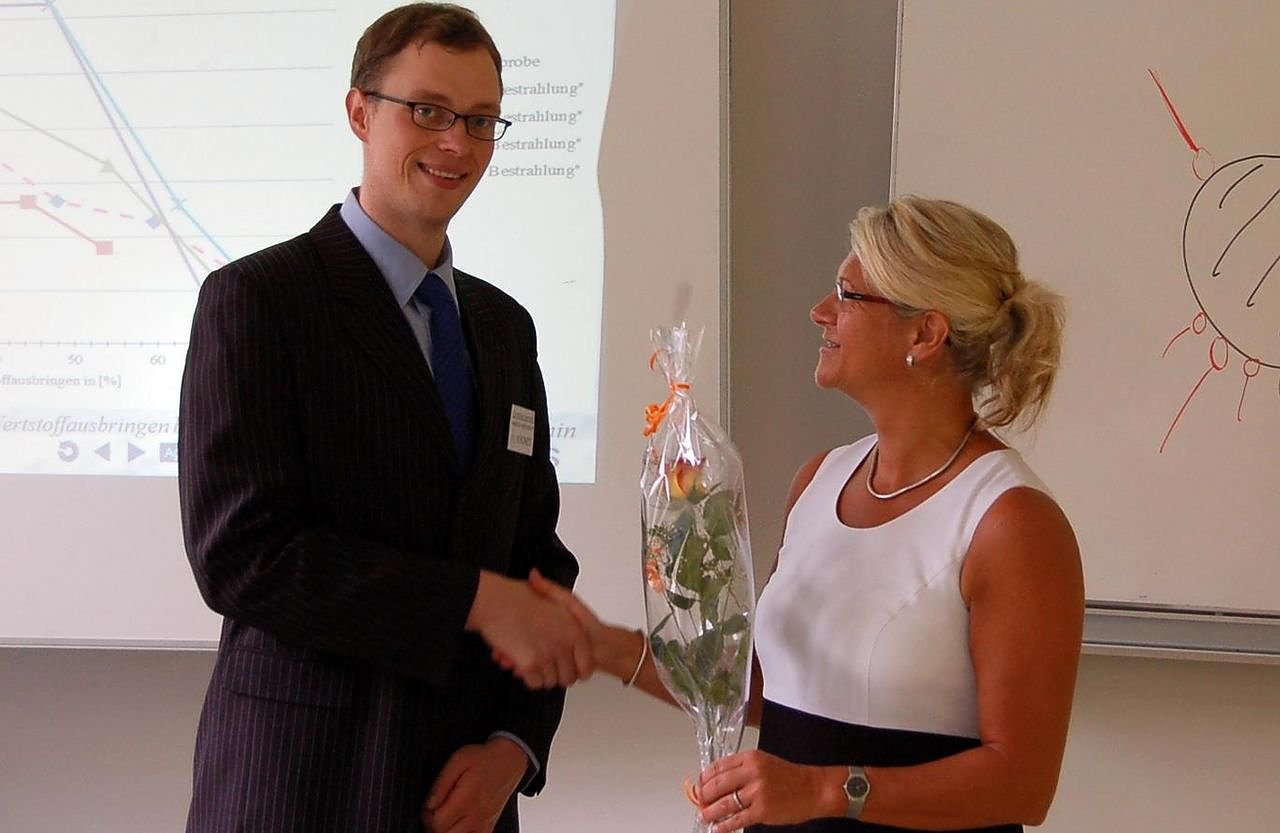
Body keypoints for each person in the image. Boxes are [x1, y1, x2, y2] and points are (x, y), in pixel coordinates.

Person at [534, 196, 1084, 832]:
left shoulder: (1012, 521)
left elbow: (1023, 785)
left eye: (848, 295)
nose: (820, 311)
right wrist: (604, 646)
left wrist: (826, 790)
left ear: (925, 334)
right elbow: (769, 689)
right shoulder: (820, 479)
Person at [177, 5, 591, 832]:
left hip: (468, 798)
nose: (456, 143)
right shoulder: (259, 300)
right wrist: (471, 599)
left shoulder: (505, 329)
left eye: (480, 120)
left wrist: (513, 746)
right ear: (360, 112)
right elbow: (242, 556)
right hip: (300, 791)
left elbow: (538, 563)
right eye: (428, 111)